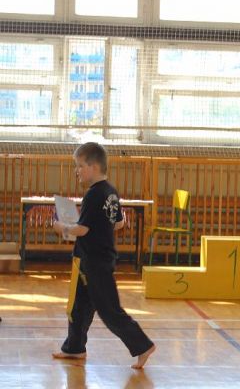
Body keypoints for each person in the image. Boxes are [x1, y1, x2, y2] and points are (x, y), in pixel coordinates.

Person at [52, 142, 155, 369]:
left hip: (96, 262)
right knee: (79, 307)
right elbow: (119, 223)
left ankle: (143, 345)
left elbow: (82, 230)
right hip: (88, 259)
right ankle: (74, 348)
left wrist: (62, 227)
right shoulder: (110, 191)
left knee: (109, 310)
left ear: (94, 167)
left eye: (80, 166)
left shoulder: (94, 195)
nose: (77, 171)